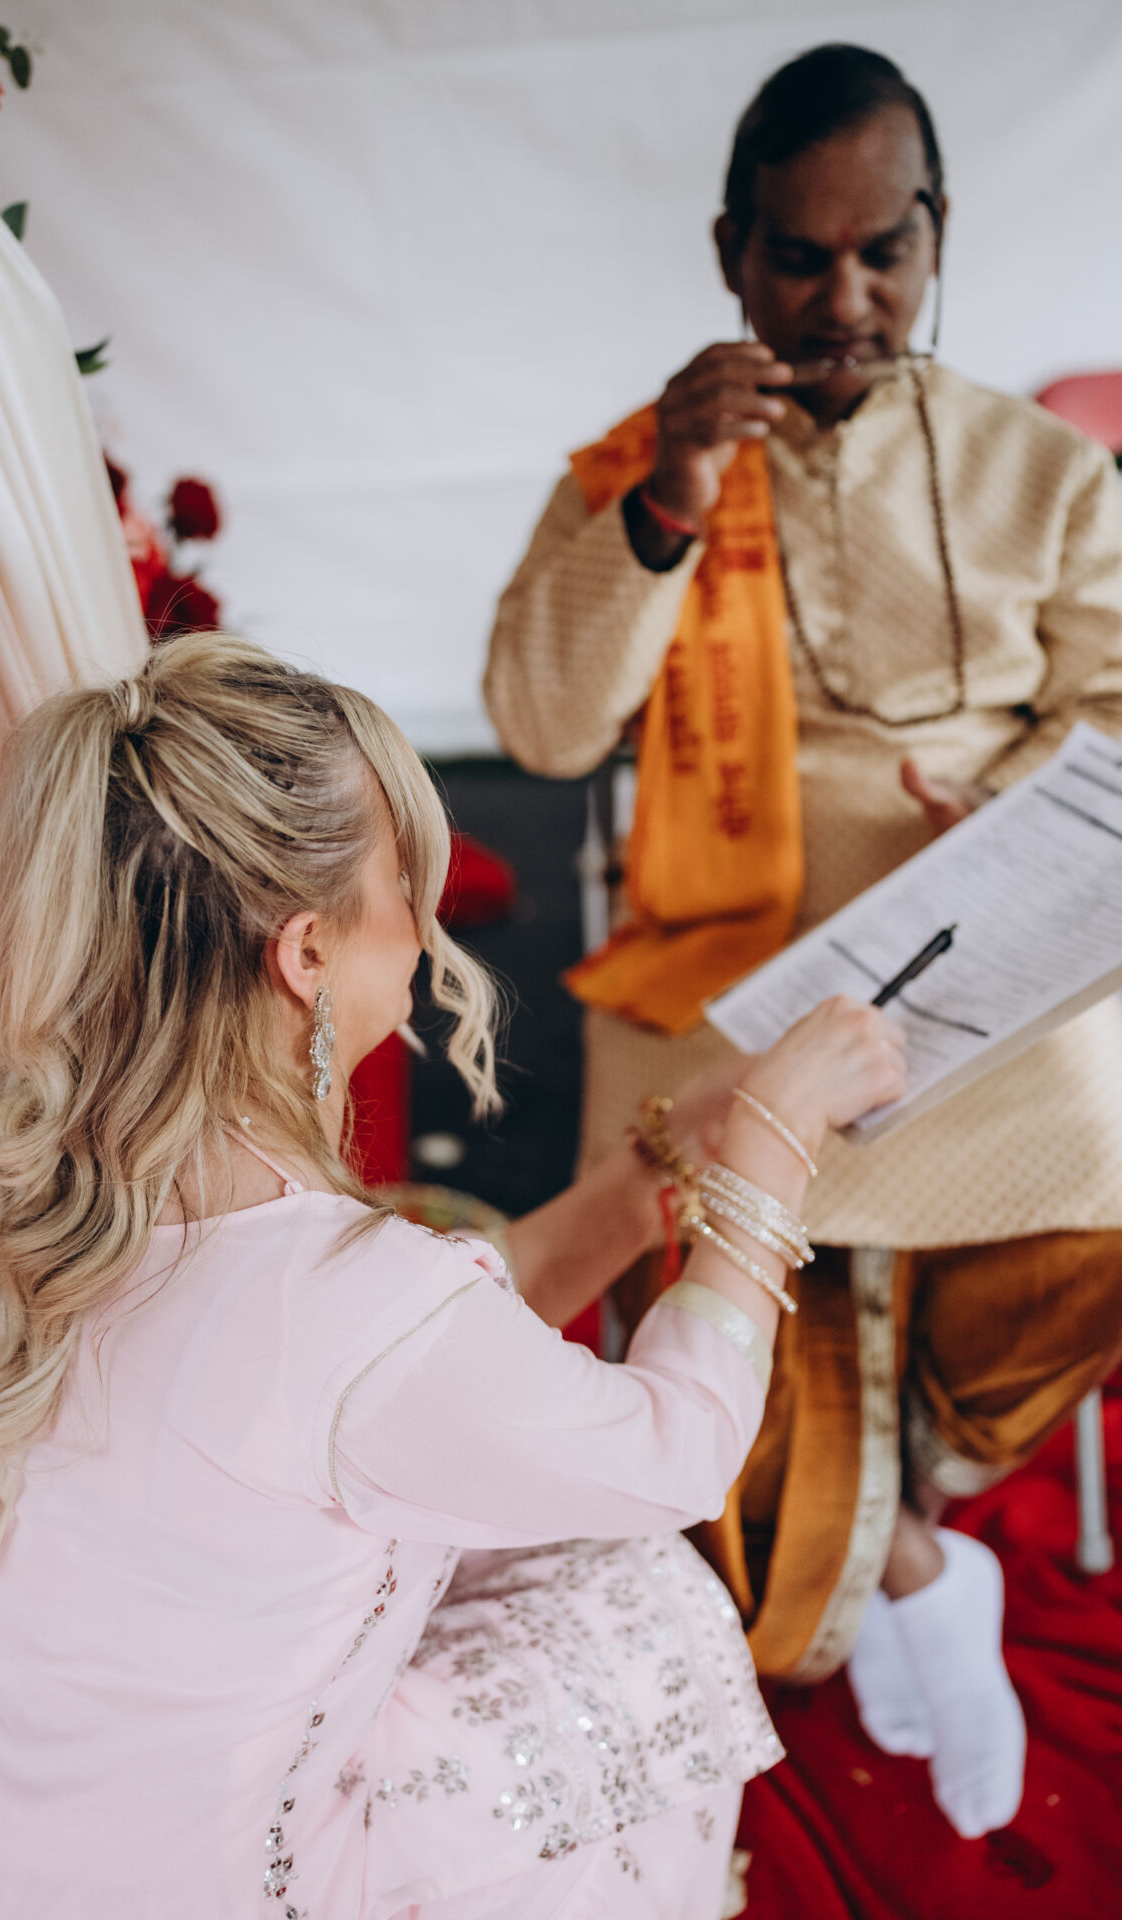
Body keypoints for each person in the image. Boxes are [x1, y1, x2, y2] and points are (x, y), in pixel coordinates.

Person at [0, 632, 905, 1918]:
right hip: (168, 1877)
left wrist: (664, 1161)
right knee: (644, 1603)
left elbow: (418, 1341)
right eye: (404, 882)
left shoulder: (82, 1183)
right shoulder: (360, 1305)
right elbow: (675, 1454)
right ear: (303, 954)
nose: (426, 926)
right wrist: (775, 1148)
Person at [483, 42, 1122, 1839]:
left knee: (1110, 1193)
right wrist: (671, 503)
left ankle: (911, 1482)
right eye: (798, 257)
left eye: (882, 254)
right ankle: (915, 1557)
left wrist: (1010, 799)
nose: (845, 302)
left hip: (984, 960)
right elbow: (542, 726)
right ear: (731, 256)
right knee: (748, 1538)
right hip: (720, 978)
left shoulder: (1046, 474)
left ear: (937, 236)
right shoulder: (649, 462)